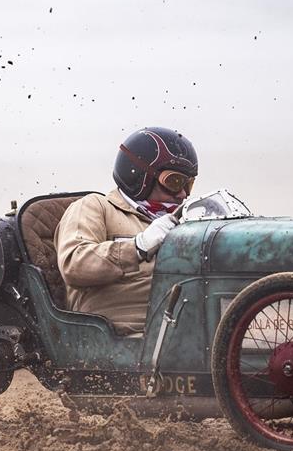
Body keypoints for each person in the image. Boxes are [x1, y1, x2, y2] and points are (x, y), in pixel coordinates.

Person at [54, 127, 198, 335]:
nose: (183, 194)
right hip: (126, 333)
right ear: (141, 176)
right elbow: (74, 264)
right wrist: (137, 247)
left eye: (189, 184)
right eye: (174, 181)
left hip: (183, 324)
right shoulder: (95, 206)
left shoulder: (183, 220)